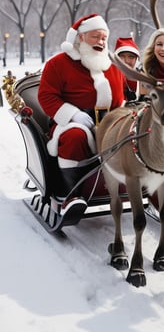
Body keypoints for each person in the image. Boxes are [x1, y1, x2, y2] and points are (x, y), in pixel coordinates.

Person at [38, 14, 125, 215]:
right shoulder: (58, 64)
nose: (101, 42)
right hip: (69, 123)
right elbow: (46, 96)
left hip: (108, 121)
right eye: (95, 36)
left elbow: (120, 100)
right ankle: (71, 194)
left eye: (104, 38)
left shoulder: (112, 65)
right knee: (75, 136)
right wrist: (73, 115)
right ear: (81, 37)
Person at [114, 36, 140, 101]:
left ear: (136, 59)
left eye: (131, 57)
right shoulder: (110, 78)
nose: (126, 61)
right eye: (122, 56)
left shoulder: (142, 80)